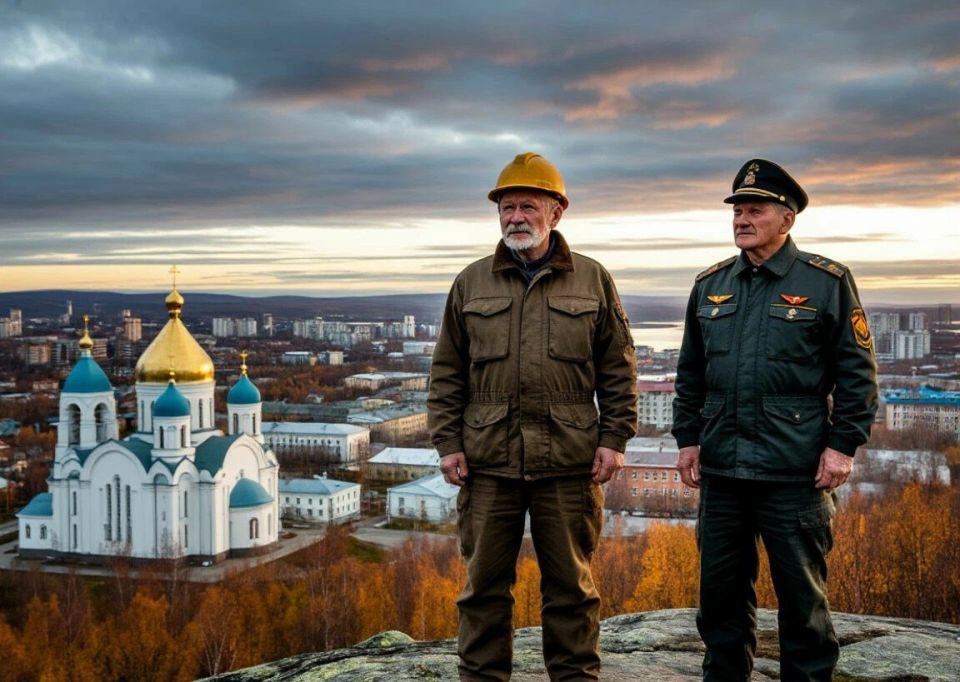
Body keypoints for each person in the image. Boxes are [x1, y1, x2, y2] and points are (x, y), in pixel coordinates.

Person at [428, 152, 638, 681]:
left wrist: (614, 438)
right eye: (506, 206)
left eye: (527, 205)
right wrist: (447, 442)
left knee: (570, 589)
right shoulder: (471, 283)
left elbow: (619, 368)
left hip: (569, 463)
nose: (515, 217)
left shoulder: (592, 280)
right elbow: (447, 372)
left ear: (557, 212)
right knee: (483, 591)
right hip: (488, 463)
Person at [672, 158, 879, 681]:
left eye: (755, 209)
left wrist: (843, 446)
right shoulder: (711, 285)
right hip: (722, 473)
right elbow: (690, 373)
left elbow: (857, 375)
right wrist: (688, 440)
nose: (742, 219)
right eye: (737, 210)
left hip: (795, 473)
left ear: (786, 219)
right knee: (718, 606)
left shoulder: (825, 281)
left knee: (803, 609)